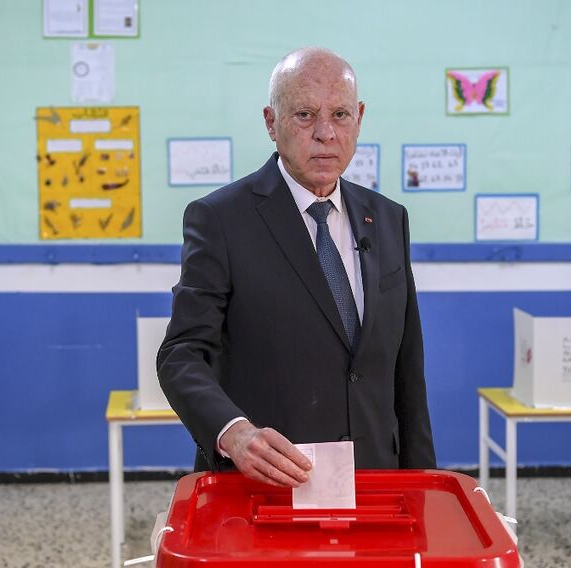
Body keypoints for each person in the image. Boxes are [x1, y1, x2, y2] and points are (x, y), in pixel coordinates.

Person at [157, 47, 435, 488]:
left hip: (376, 479)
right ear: (271, 122)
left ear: (359, 117)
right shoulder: (222, 219)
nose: (325, 133)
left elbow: (407, 368)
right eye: (305, 115)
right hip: (269, 484)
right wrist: (234, 433)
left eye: (341, 114)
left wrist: (422, 483)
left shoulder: (386, 218)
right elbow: (180, 355)